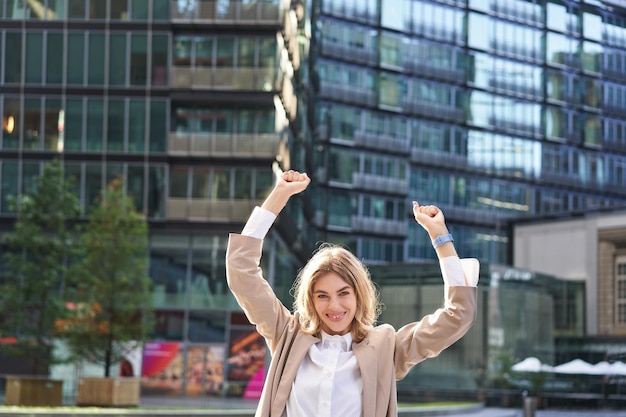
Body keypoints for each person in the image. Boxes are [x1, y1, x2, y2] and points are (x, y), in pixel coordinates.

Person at [226, 169, 479, 417]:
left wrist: (440, 237)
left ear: (359, 295)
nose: (334, 306)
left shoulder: (385, 348)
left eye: (344, 293)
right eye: (322, 295)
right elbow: (241, 271)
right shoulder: (287, 335)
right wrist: (279, 194)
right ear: (311, 300)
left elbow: (458, 316)